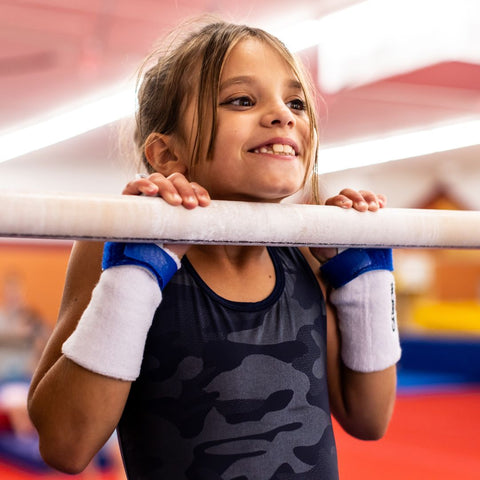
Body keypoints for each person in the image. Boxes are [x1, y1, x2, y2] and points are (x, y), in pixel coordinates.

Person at [27, 20, 400, 479]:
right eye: (242, 100)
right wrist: (137, 271)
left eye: (296, 102)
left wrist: (364, 278)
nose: (283, 114)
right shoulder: (123, 243)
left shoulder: (306, 256)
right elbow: (65, 445)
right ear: (166, 154)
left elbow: (370, 419)